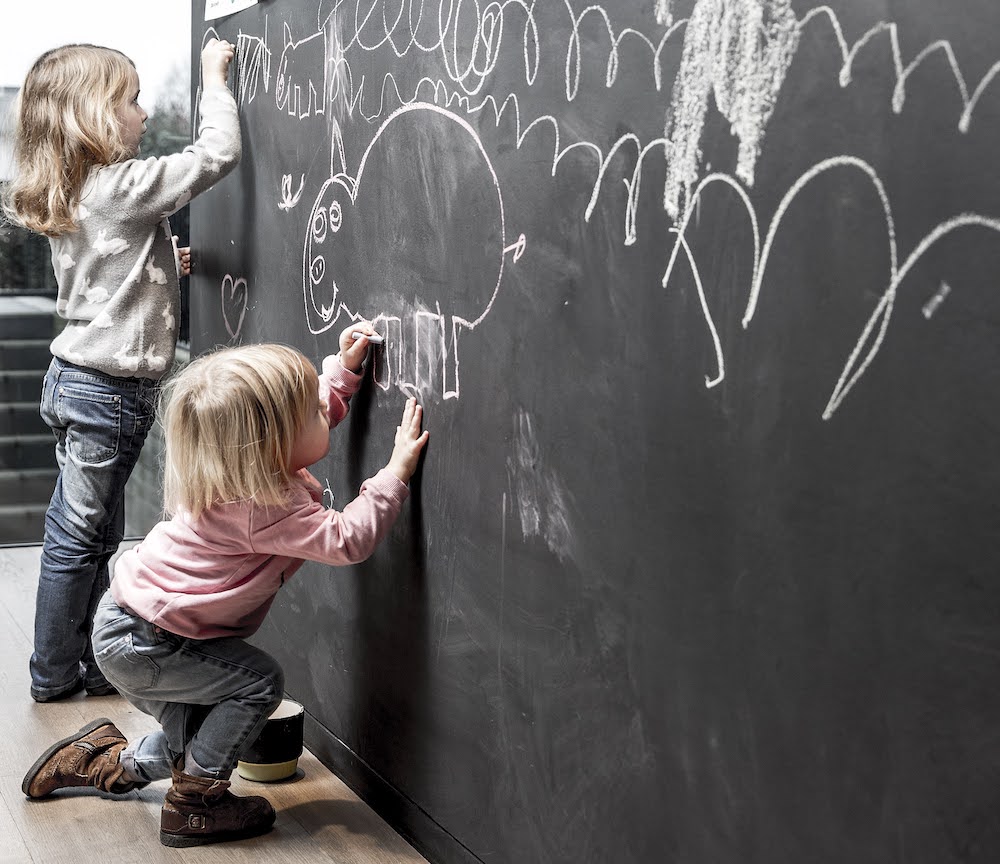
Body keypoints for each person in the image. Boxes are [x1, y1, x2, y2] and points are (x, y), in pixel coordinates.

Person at [21, 324, 429, 848]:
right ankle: (196, 804)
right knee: (258, 683)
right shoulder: (263, 507)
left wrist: (342, 373)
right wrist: (395, 472)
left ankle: (104, 763)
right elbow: (348, 538)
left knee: (193, 742)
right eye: (311, 409)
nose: (321, 410)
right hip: (149, 641)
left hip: (135, 628)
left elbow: (300, 420)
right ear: (271, 444)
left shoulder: (236, 469)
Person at [1, 38, 241, 702]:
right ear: (92, 118)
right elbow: (215, 155)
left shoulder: (75, 191)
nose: (140, 112)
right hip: (107, 389)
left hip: (79, 380)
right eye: (130, 100)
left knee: (93, 532)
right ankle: (54, 676)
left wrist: (170, 265)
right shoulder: (120, 186)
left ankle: (89, 664)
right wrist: (213, 81)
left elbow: (111, 272)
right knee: (77, 539)